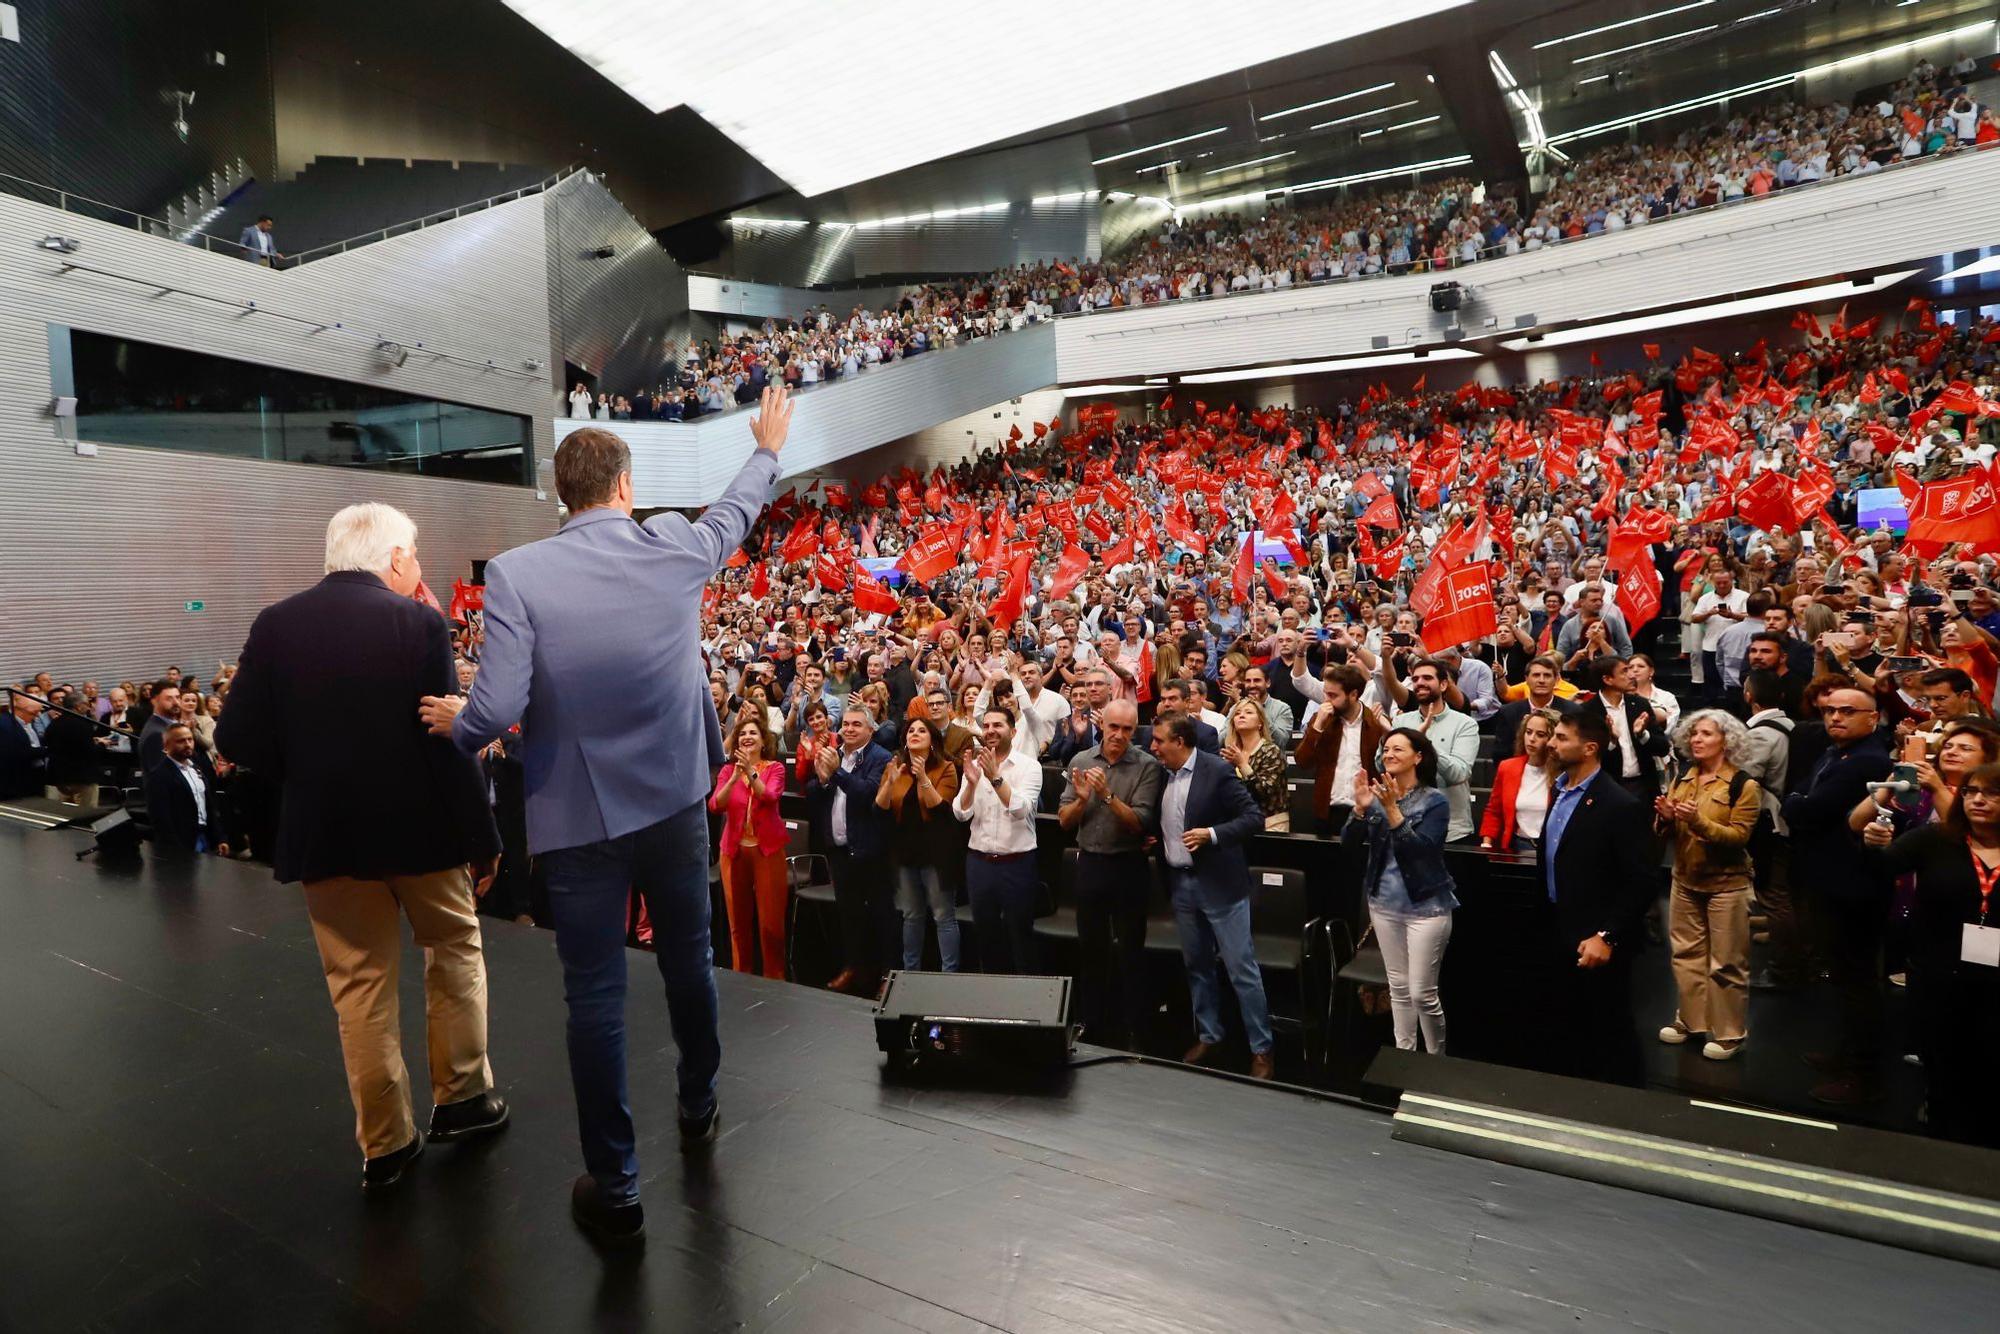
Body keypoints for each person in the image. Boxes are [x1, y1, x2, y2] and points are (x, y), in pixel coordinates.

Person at [419, 388, 791, 1244]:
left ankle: (618, 1189)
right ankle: (698, 1101)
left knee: (595, 998)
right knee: (691, 960)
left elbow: (500, 700)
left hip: (578, 818)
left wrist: (462, 723)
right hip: (672, 805)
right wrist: (767, 445)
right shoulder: (670, 545)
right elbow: (734, 515)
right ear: (624, 488)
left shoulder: (516, 573)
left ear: (564, 494)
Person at [218, 501, 505, 1194]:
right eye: (413, 553)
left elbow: (234, 739)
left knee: (359, 986)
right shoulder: (418, 621)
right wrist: (483, 838)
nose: (415, 564)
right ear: (395, 558)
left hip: (329, 839)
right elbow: (448, 741)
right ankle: (463, 1098)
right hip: (423, 833)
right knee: (454, 951)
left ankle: (386, 1144)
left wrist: (311, 773)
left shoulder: (275, 625)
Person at [1861, 761, 2000, 1148]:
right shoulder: (1935, 840)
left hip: (1996, 985)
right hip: (1939, 977)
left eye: (1991, 793)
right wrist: (1874, 845)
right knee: (1943, 1070)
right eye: (1971, 792)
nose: (1978, 801)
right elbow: (1880, 871)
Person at [1780, 686, 1893, 1106]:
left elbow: (1803, 808)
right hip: (1828, 877)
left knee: (1858, 981)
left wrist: (1799, 803)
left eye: (1847, 710)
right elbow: (1799, 798)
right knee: (1844, 978)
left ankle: (1862, 1074)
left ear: (1872, 717)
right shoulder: (1836, 753)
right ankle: (1846, 1053)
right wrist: (1800, 802)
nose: (1835, 717)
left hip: (1853, 883)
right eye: (1829, 710)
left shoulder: (1869, 759)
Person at [1150, 712, 1275, 1079]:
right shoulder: (1162, 774)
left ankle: (1262, 1048)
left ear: (1181, 742)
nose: (1152, 746)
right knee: (1197, 966)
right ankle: (1210, 1034)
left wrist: (1212, 834)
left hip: (1221, 885)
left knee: (1241, 970)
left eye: (1159, 740)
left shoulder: (1215, 770)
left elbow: (1254, 817)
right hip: (1181, 884)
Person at [1539, 712, 1656, 1086]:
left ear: (1589, 748)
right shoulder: (1559, 791)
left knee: (1611, 1026)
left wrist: (1608, 935)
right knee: (1569, 1023)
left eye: (1559, 738)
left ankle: (1626, 1105)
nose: (1550, 744)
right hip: (1560, 927)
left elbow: (1641, 880)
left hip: (1598, 938)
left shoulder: (1619, 804)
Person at [1654, 711, 1762, 1061]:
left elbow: (1738, 837)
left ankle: (1730, 1033)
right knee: (1686, 955)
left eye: (1706, 734)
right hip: (1685, 877)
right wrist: (1666, 820)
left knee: (1727, 961)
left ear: (1726, 741)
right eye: (1694, 734)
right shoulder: (1684, 778)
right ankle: (1691, 1020)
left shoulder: (1743, 785)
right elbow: (1667, 829)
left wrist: (1697, 821)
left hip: (1727, 883)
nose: (1697, 740)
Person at [1058, 699, 1163, 1049]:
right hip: (1089, 863)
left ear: (1136, 730)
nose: (1118, 735)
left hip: (1129, 865)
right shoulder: (1081, 761)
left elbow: (1140, 822)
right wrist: (1081, 798)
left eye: (1127, 729)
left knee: (1131, 951)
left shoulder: (1147, 765)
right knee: (1091, 950)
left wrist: (1105, 796)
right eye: (1113, 727)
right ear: (1102, 724)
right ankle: (1092, 1023)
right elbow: (1064, 820)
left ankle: (1134, 1028)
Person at [1344, 728, 1458, 1053]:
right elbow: (1348, 845)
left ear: (1418, 757)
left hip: (1426, 908)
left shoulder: (1435, 801)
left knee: (1422, 992)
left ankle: (1436, 1058)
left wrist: (1393, 811)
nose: (1389, 754)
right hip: (1384, 905)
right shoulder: (1378, 797)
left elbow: (1423, 851)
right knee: (1398, 987)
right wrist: (1361, 809)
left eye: (1398, 749)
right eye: (1386, 749)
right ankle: (1404, 1055)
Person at [808, 708, 894, 995]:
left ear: (871, 729)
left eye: (857, 724)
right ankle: (853, 967)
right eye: (845, 724)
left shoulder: (880, 757)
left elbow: (868, 795)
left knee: (882, 915)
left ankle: (887, 974)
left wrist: (838, 773)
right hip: (839, 850)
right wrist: (821, 781)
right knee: (848, 915)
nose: (849, 729)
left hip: (871, 851)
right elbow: (814, 793)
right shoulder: (835, 753)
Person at [953, 707, 1043, 973]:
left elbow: (1020, 810)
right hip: (979, 864)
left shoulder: (1030, 767)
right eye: (987, 725)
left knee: (1020, 935)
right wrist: (970, 783)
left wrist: (994, 777)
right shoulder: (974, 766)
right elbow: (960, 813)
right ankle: (992, 1002)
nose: (990, 730)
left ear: (1013, 732)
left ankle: (1025, 1004)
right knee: (986, 936)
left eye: (998, 725)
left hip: (1017, 864)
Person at [876, 716, 963, 973]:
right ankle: (909, 975)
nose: (914, 734)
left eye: (921, 730)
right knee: (911, 916)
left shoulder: (946, 768)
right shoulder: (895, 768)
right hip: (905, 852)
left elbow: (941, 809)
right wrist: (890, 782)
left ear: (932, 740)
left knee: (943, 916)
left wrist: (923, 776)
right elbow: (879, 808)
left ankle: (950, 977)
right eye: (910, 730)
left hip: (937, 853)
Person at [706, 714, 788, 980]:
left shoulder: (775, 768)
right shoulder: (728, 771)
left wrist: (751, 773)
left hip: (767, 851)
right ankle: (741, 977)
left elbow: (770, 795)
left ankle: (774, 978)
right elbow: (715, 805)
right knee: (738, 923)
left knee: (770, 924)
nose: (747, 737)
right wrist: (733, 779)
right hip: (734, 851)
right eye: (742, 734)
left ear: (763, 740)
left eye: (753, 733)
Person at [1387, 657, 1479, 843]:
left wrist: (1423, 741)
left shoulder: (1465, 724)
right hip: (1404, 824)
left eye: (1427, 678)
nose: (1420, 683)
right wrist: (1384, 741)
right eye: (1415, 679)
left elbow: (1458, 774)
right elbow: (1383, 768)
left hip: (1451, 830)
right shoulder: (1400, 722)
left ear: (1443, 685)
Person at [1292, 662, 1386, 836]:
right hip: (1328, 812)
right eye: (1325, 694)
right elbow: (1302, 762)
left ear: (1353, 694)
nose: (1326, 700)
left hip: (1367, 812)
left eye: (1333, 695)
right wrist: (1317, 727)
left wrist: (1388, 732)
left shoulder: (1375, 723)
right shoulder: (1321, 719)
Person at [1480, 707, 1560, 853]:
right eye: (1528, 732)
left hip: (1553, 847)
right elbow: (1494, 810)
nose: (1532, 739)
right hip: (1518, 845)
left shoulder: (1564, 773)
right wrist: (1487, 843)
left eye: (1540, 734)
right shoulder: (1508, 767)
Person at [143, 723, 227, 855]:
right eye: (181, 741)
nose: (188, 744)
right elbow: (161, 819)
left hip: (204, 839)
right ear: (166, 745)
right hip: (181, 844)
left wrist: (219, 838)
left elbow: (208, 806)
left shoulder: (197, 770)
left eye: (190, 739)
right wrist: (176, 849)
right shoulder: (158, 776)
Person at [1222, 697, 1289, 831]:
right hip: (1239, 823)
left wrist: (1242, 764)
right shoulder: (1231, 753)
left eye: (1248, 712)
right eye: (1237, 713)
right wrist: (1225, 769)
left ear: (1260, 723)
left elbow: (1266, 791)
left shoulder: (1271, 751)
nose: (1241, 715)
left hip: (1270, 823)